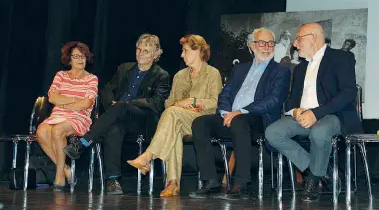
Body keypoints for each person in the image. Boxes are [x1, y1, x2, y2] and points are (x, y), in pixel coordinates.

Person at [265, 23, 363, 202]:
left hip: (334, 116)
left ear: (312, 38)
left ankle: (313, 181)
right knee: (273, 132)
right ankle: (322, 171)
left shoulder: (340, 58)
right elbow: (293, 99)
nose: (295, 44)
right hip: (303, 117)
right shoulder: (301, 67)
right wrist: (295, 112)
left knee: (319, 131)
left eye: (299, 39)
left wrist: (316, 114)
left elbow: (348, 93)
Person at [189, 27, 291, 200]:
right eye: (261, 43)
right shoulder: (240, 69)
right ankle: (211, 182)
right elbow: (225, 94)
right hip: (231, 117)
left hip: (258, 119)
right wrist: (224, 112)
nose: (266, 47)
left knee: (240, 122)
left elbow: (274, 100)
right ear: (252, 46)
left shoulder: (280, 71)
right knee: (200, 123)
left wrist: (240, 112)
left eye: (270, 43)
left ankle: (240, 185)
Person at [62, 34, 170, 195]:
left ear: (155, 55)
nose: (140, 53)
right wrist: (112, 103)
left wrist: (125, 104)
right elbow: (107, 90)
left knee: (120, 108)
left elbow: (156, 103)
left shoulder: (161, 75)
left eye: (146, 51)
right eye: (138, 49)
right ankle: (113, 180)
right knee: (114, 128)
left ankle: (83, 142)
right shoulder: (125, 68)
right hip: (117, 117)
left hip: (142, 122)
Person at [127, 34, 222, 197]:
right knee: (174, 127)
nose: (181, 55)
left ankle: (148, 156)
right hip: (179, 119)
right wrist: (176, 105)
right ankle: (173, 183)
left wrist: (191, 101)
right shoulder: (179, 76)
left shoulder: (212, 73)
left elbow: (215, 103)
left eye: (185, 51)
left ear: (198, 51)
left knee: (172, 116)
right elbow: (168, 102)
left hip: (203, 121)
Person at [36, 41, 98, 191]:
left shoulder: (92, 78)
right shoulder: (61, 75)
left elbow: (86, 104)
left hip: (79, 118)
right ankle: (65, 169)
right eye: (76, 56)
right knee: (41, 131)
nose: (80, 59)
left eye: (83, 56)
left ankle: (60, 178)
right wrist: (73, 100)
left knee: (57, 131)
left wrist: (63, 101)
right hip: (58, 114)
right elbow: (52, 98)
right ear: (69, 59)